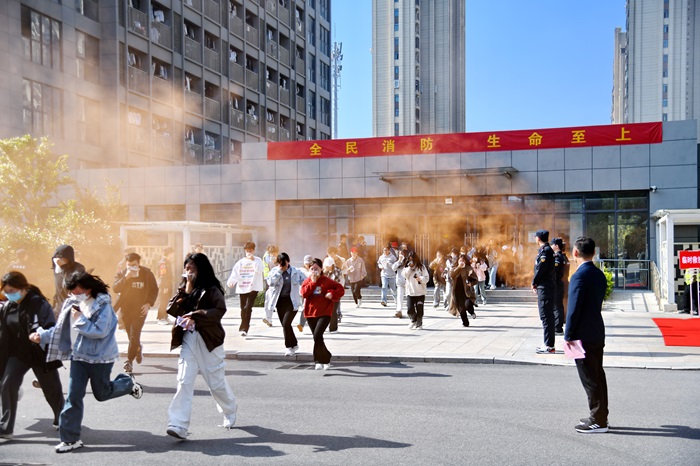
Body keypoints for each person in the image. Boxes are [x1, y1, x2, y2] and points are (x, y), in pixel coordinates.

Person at [30, 271, 143, 453]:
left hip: (100, 358)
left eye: (76, 291)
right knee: (73, 397)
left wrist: (80, 319)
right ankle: (70, 439)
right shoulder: (71, 303)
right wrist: (41, 336)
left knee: (102, 393)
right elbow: (60, 329)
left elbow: (100, 331)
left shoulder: (104, 306)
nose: (73, 295)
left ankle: (128, 383)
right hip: (78, 357)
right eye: (71, 292)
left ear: (88, 289)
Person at [165, 253, 238, 440]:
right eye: (186, 268)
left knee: (216, 383)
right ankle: (178, 424)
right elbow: (171, 310)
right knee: (184, 380)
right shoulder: (184, 288)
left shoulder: (212, 289)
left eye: (192, 268)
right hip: (188, 339)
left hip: (209, 340)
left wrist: (195, 316)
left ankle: (229, 409)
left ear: (201, 269)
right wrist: (185, 292)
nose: (188, 272)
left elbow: (219, 311)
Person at [0, 272, 64, 440]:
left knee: (51, 389)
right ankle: (6, 427)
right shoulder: (8, 306)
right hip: (17, 354)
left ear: (23, 288)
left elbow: (51, 327)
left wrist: (40, 336)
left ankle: (62, 417)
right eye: (6, 291)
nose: (8, 294)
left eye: (12, 291)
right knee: (8, 383)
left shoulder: (39, 304)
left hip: (39, 353)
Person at [564, 236, 609, 433]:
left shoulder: (578, 276)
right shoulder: (599, 274)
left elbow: (573, 309)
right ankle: (601, 415)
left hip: (582, 335)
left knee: (590, 378)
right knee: (598, 375)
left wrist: (568, 335)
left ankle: (598, 420)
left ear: (575, 252)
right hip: (596, 331)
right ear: (594, 252)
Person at [113, 252, 159, 373]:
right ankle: (137, 348)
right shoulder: (123, 273)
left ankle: (129, 361)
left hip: (140, 309)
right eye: (129, 265)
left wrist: (148, 304)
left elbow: (154, 290)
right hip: (125, 309)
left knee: (134, 334)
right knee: (131, 335)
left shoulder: (147, 273)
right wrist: (126, 277)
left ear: (138, 264)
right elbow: (115, 288)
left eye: (134, 265)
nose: (131, 267)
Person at [300, 258, 345, 370]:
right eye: (312, 269)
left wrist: (331, 293)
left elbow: (340, 289)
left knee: (317, 335)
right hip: (311, 313)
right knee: (317, 338)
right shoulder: (307, 281)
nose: (314, 271)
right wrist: (313, 282)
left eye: (316, 269)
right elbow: (304, 294)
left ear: (321, 269)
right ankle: (326, 357)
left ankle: (318, 360)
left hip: (324, 312)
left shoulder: (327, 281)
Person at [265, 252, 305, 356]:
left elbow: (305, 281)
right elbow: (270, 282)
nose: (282, 265)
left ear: (288, 261)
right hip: (279, 302)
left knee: (286, 323)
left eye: (284, 263)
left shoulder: (296, 272)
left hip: (292, 301)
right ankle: (294, 344)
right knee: (285, 325)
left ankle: (288, 347)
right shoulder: (274, 271)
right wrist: (279, 271)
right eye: (280, 263)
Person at [226, 242, 264, 336]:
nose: (248, 252)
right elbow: (235, 273)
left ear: (253, 250)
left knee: (248, 307)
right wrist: (231, 282)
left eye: (250, 251)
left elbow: (260, 270)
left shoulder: (258, 260)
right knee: (243, 308)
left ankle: (245, 328)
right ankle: (243, 325)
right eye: (247, 251)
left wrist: (253, 260)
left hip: (253, 288)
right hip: (242, 287)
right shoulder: (240, 262)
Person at [532, 229, 556, 354]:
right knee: (546, 316)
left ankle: (549, 345)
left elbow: (540, 269)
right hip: (546, 286)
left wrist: (534, 282)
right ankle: (548, 343)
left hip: (545, 287)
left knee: (546, 316)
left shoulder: (545, 251)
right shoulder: (546, 250)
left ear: (538, 238)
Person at [51, 245, 85, 319]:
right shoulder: (57, 269)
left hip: (73, 308)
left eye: (61, 258)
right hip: (58, 309)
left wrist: (64, 267)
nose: (58, 260)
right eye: (56, 258)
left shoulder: (78, 268)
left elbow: (70, 284)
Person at [448, 254, 478, 327]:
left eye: (463, 260)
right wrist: (459, 267)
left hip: (467, 291)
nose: (461, 262)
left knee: (467, 304)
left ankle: (472, 312)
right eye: (460, 260)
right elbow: (451, 275)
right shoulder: (454, 268)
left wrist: (471, 283)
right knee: (461, 309)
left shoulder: (468, 268)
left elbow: (475, 279)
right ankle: (465, 322)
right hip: (457, 292)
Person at [402, 251, 430, 330]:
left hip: (420, 292)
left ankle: (419, 324)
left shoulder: (421, 267)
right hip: (410, 291)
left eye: (412, 259)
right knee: (409, 309)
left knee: (419, 309)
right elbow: (404, 275)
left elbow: (427, 278)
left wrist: (420, 278)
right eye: (410, 259)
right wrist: (410, 268)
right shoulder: (407, 267)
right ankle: (413, 319)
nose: (411, 261)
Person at [323, 247, 345, 330]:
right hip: (326, 293)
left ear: (332, 265)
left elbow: (336, 281)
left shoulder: (337, 271)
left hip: (335, 292)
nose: (327, 267)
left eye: (328, 266)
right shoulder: (324, 271)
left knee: (333, 310)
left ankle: (333, 328)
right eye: (326, 266)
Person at [552, 238, 571, 335]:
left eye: (552, 244)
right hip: (564, 283)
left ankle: (558, 327)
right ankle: (560, 323)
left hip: (558, 284)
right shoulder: (564, 257)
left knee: (557, 305)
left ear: (556, 246)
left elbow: (555, 273)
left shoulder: (557, 257)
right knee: (560, 305)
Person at [156, 247, 175, 325]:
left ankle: (165, 316)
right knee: (163, 301)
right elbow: (163, 276)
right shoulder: (163, 263)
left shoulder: (167, 262)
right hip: (164, 285)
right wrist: (165, 287)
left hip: (167, 284)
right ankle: (160, 318)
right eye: (172, 253)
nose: (173, 255)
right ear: (169, 253)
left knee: (166, 301)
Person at [296, 255, 314, 332]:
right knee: (305, 307)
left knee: (308, 308)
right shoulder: (300, 270)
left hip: (312, 291)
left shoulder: (314, 269)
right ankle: (301, 324)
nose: (307, 265)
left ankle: (304, 324)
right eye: (306, 263)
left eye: (309, 263)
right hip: (303, 291)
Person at [392, 249, 407, 318]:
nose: (401, 255)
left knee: (409, 298)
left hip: (408, 283)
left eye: (402, 254)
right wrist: (399, 261)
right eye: (400, 254)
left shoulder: (408, 261)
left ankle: (412, 310)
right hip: (400, 283)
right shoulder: (397, 262)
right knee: (399, 297)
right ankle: (399, 310)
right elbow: (393, 268)